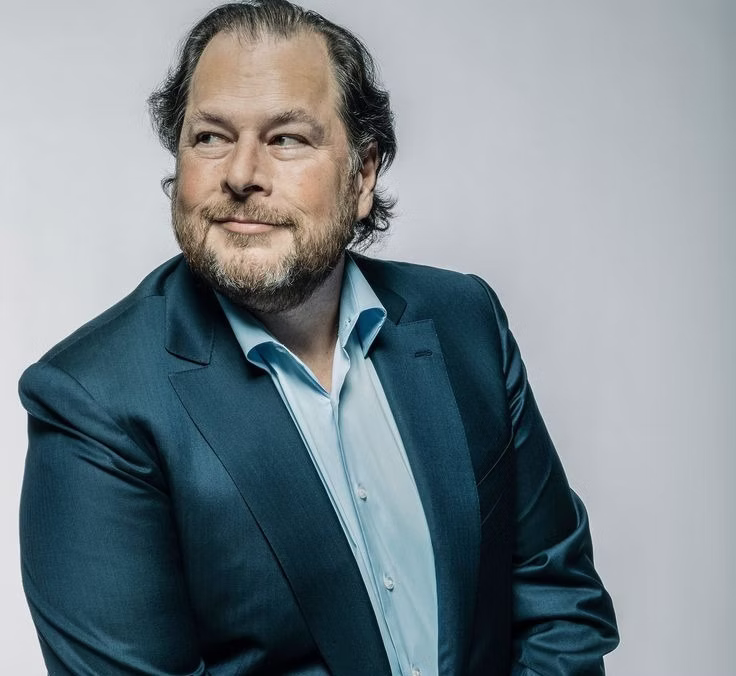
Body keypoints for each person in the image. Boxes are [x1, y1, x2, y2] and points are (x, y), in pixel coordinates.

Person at [18, 1, 618, 674]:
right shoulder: (94, 402)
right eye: (210, 136)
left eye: (286, 139)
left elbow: (557, 601)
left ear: (363, 176)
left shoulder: (464, 322)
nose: (240, 174)